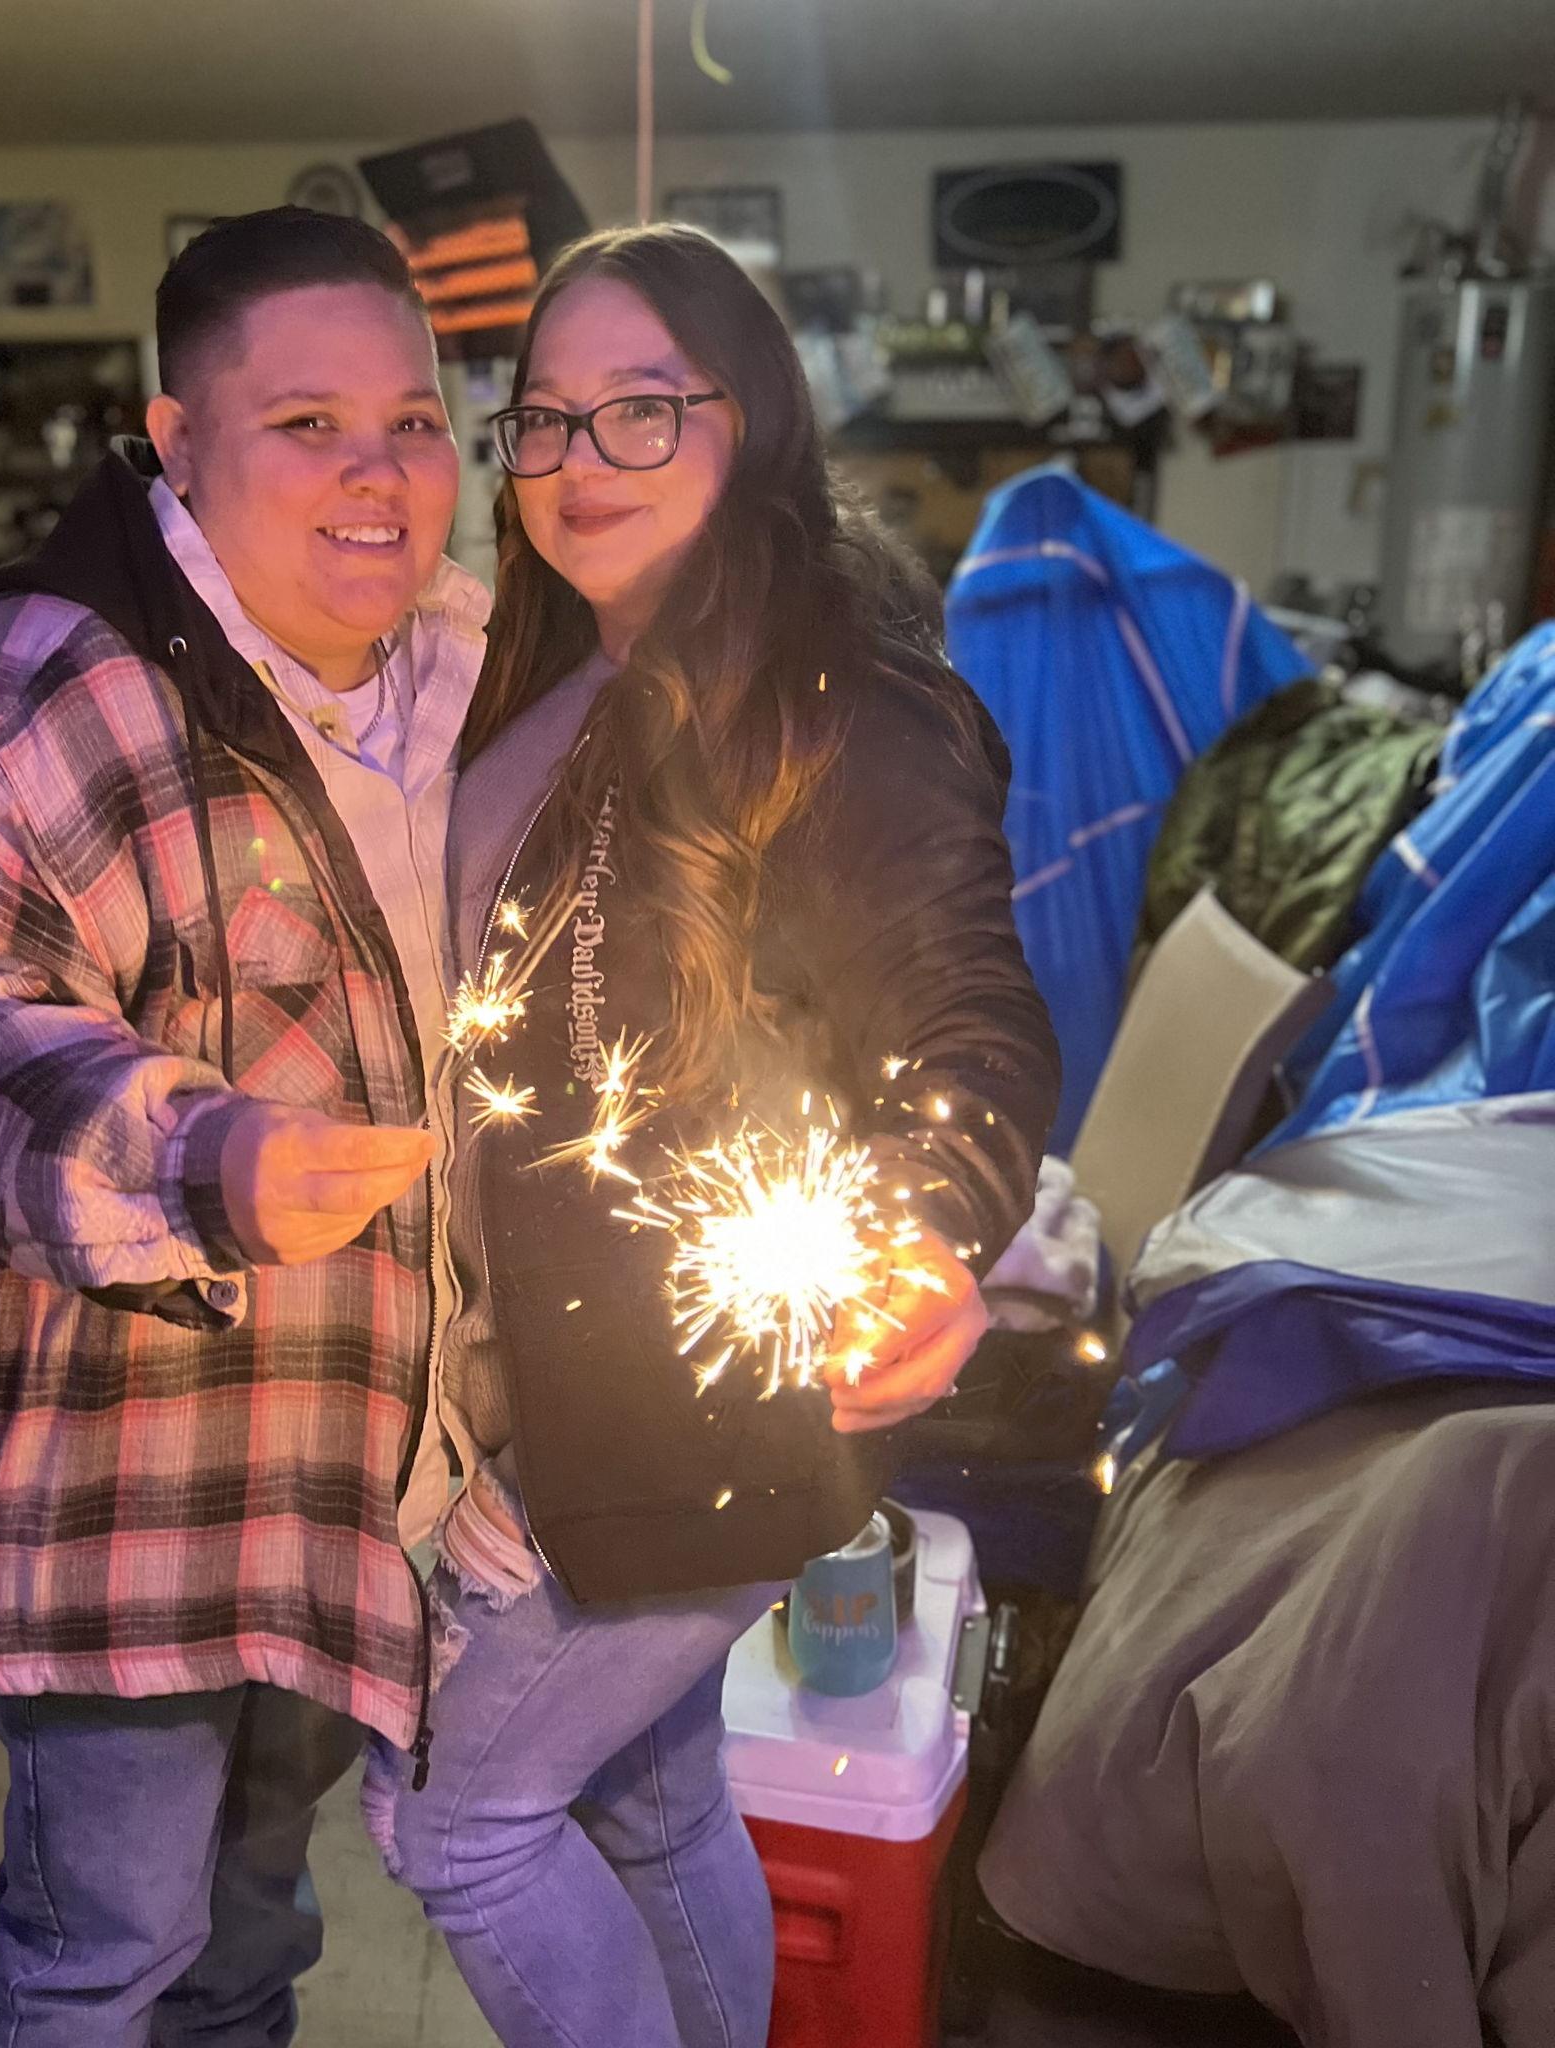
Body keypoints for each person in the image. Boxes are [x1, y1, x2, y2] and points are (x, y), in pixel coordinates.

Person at [362, 224, 1060, 2048]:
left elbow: (971, 1015)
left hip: (705, 1412)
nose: (579, 465)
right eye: (546, 423)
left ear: (743, 423)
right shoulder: (560, 672)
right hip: (559, 1390)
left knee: (453, 1814)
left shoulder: (846, 701)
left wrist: (932, 1223)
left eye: (640, 414)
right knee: (655, 1808)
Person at [0, 207, 491, 2047]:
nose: (381, 473)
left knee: (251, 1939)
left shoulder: (457, 667)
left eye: (416, 421)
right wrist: (201, 1156)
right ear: (176, 441)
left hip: (350, 1472)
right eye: (307, 424)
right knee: (104, 1945)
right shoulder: (39, 693)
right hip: (123, 1498)